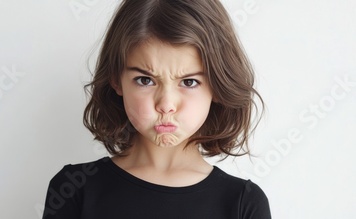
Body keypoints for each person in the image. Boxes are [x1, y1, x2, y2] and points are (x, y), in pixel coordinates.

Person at [43, 0, 271, 218]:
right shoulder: (74, 189)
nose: (166, 105)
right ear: (116, 80)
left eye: (189, 82)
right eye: (145, 80)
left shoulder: (243, 203)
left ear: (218, 86)